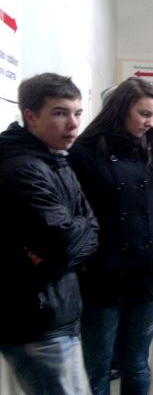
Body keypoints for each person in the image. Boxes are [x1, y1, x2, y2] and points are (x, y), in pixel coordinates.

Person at [67, 77, 153, 395]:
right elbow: (73, 213)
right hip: (102, 277)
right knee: (97, 369)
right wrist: (87, 258)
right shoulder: (83, 154)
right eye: (144, 114)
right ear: (120, 109)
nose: (151, 122)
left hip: (148, 274)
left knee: (137, 364)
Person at [0, 73, 99, 395]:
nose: (73, 124)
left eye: (77, 113)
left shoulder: (54, 159)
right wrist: (78, 232)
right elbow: (66, 246)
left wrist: (77, 231)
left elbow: (91, 226)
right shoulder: (23, 168)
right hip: (37, 321)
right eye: (60, 113)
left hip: (56, 310)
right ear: (31, 117)